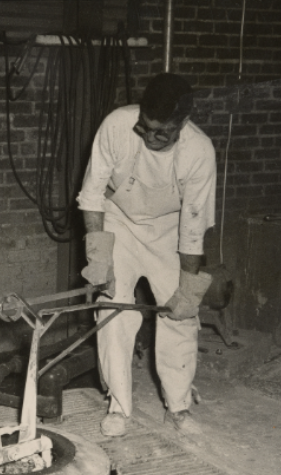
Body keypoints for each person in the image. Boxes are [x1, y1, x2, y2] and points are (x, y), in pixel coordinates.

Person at [77, 73, 216, 438]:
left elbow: (193, 224)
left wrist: (188, 285)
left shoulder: (199, 152)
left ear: (183, 123)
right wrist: (99, 255)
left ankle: (178, 406)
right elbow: (91, 194)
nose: (152, 138)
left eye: (163, 133)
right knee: (113, 311)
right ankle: (119, 406)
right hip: (118, 220)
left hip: (170, 231)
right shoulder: (117, 126)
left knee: (180, 314)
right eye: (146, 129)